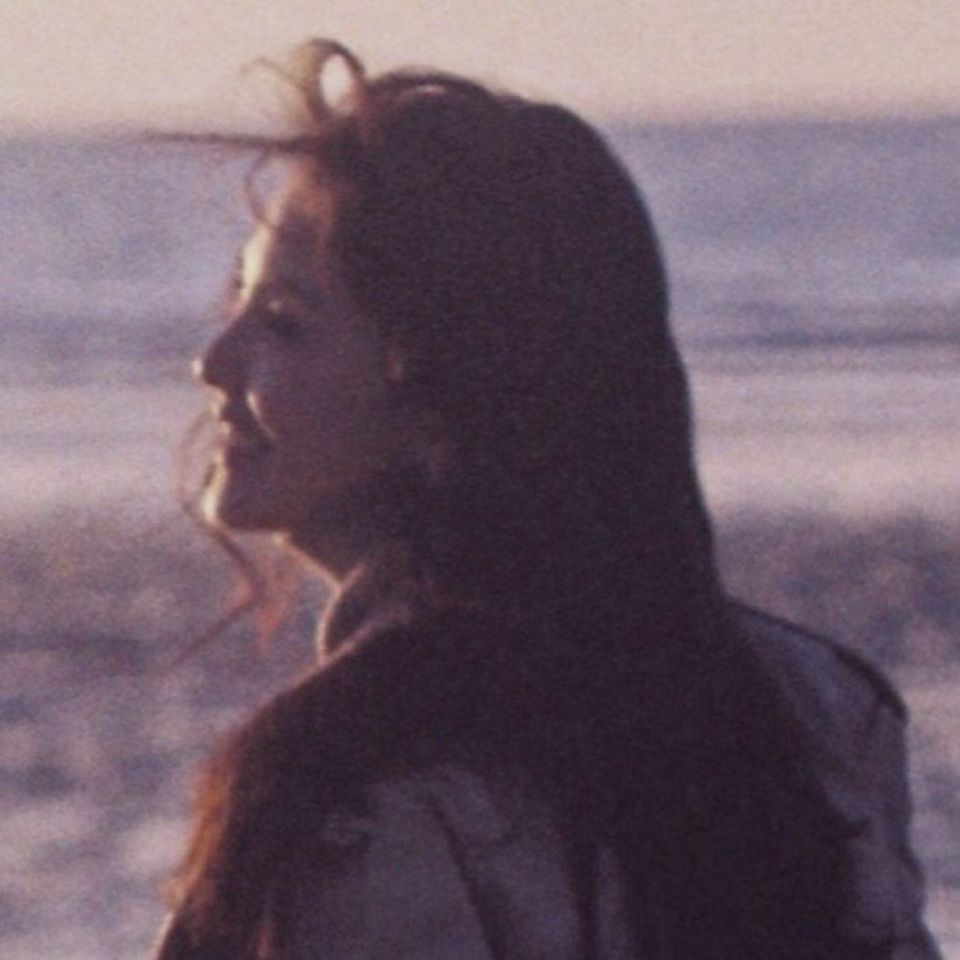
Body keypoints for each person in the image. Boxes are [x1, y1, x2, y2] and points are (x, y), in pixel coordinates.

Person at [153, 40, 938, 959]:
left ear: (445, 398)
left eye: (285, 322)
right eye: (237, 302)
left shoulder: (353, 788)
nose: (213, 362)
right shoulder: (812, 706)